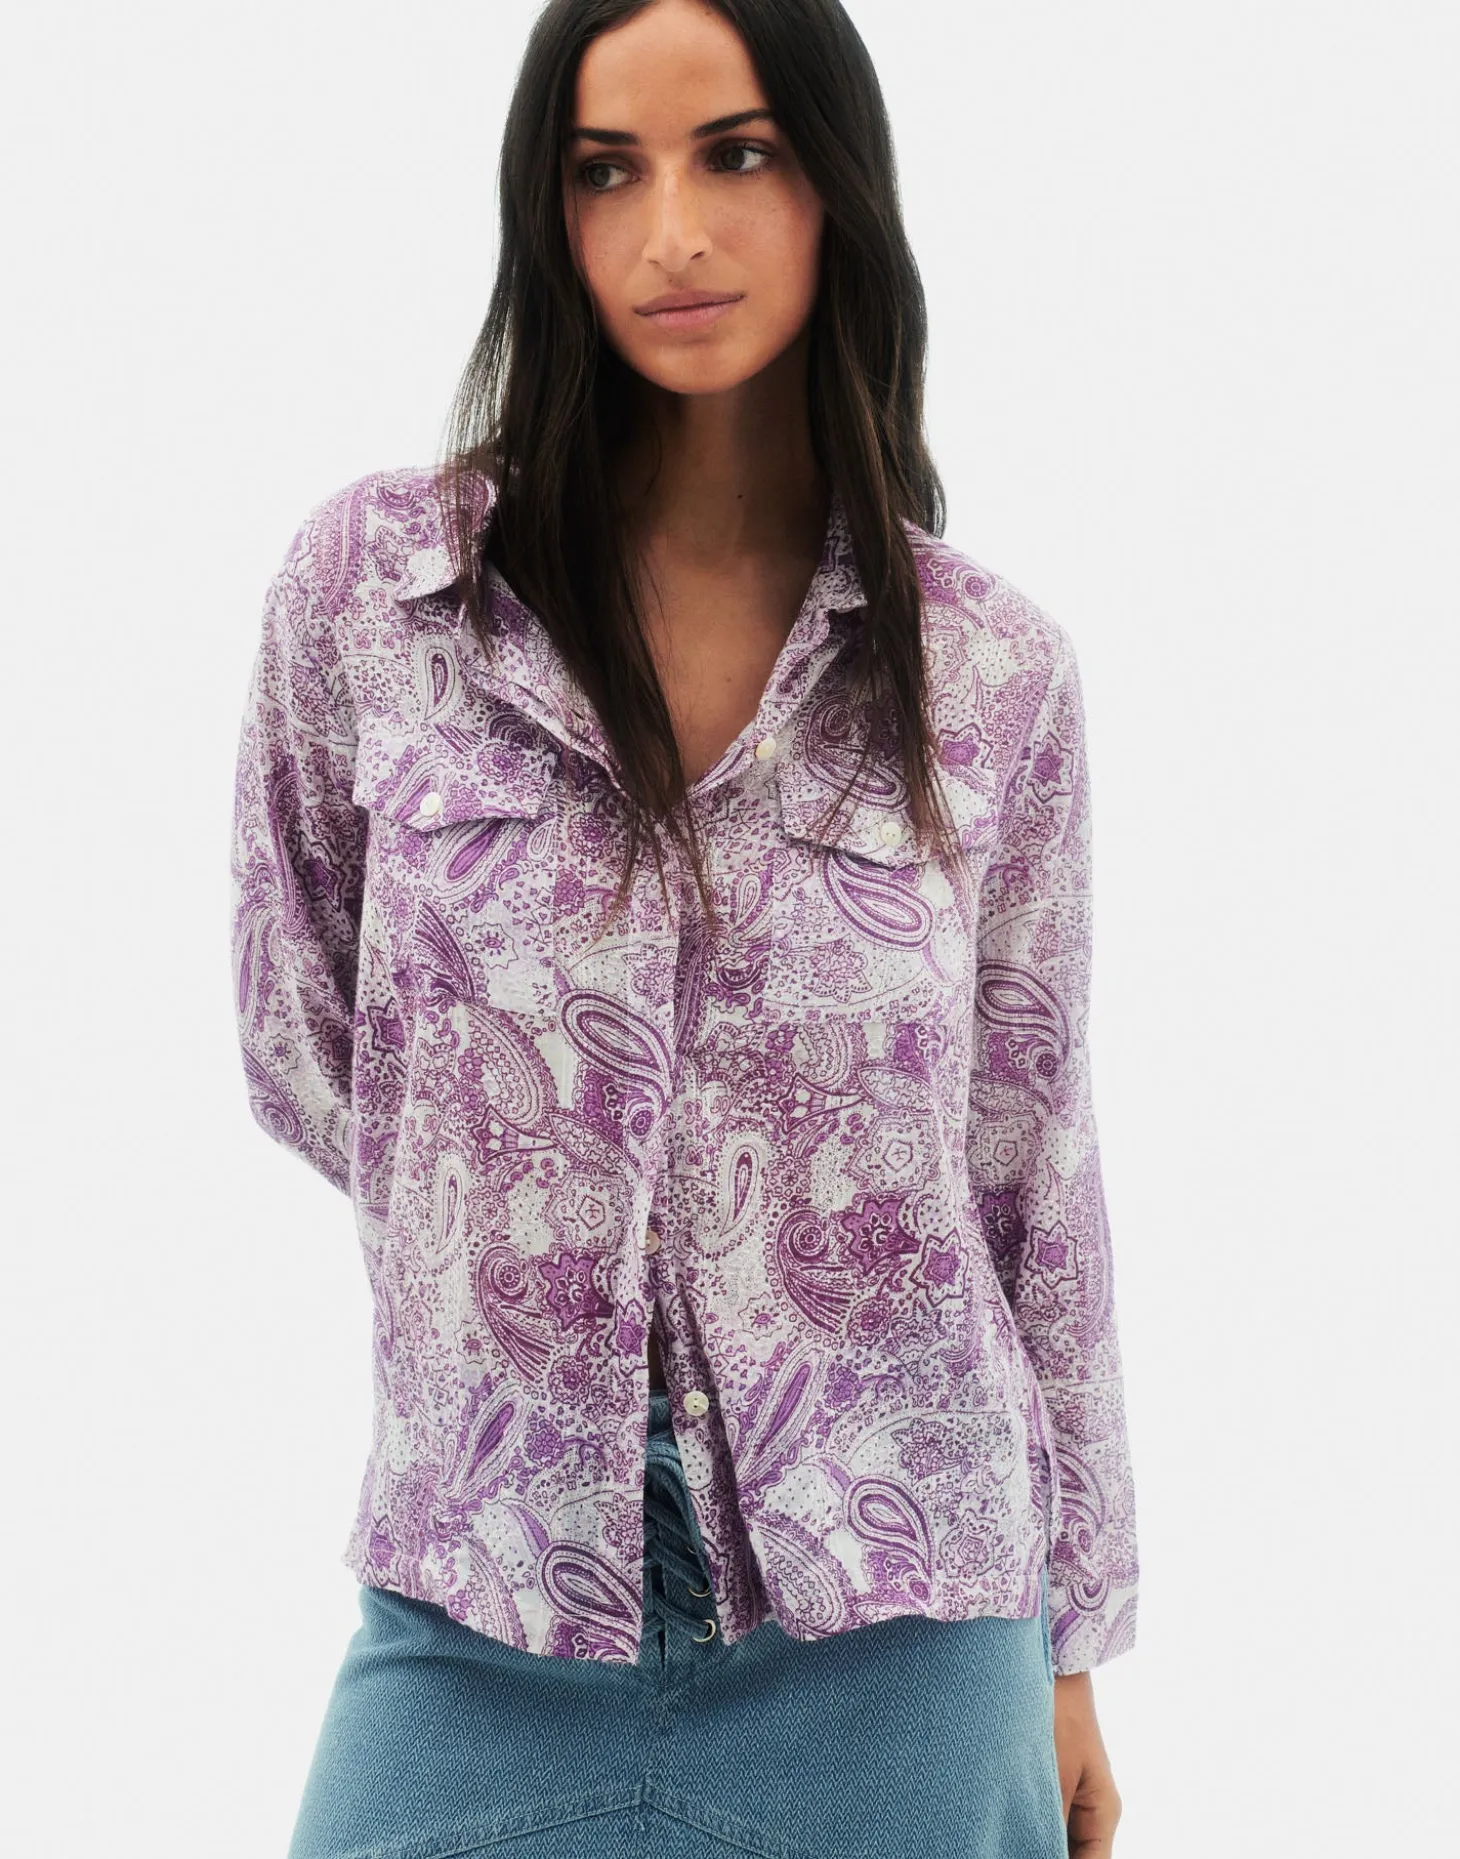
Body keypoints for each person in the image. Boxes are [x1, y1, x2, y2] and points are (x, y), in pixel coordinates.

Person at [229, 2, 1138, 1853]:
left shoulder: (992, 676)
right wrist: (528, 1248)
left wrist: (1072, 1643)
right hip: (479, 1587)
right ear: (544, 213)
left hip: (901, 1608)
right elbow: (306, 1032)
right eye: (605, 172)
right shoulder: (378, 598)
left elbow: (1028, 1168)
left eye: (736, 154)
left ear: (835, 184)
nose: (672, 233)